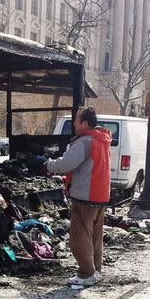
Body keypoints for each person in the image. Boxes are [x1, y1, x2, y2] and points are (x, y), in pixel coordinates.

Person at [45, 107, 111, 287]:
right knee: (95, 236)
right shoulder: (102, 140)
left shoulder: (85, 141)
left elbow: (66, 164)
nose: (74, 123)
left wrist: (47, 164)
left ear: (85, 123)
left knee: (79, 237)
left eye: (76, 120)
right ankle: (95, 270)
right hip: (100, 195)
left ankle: (86, 274)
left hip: (85, 196)